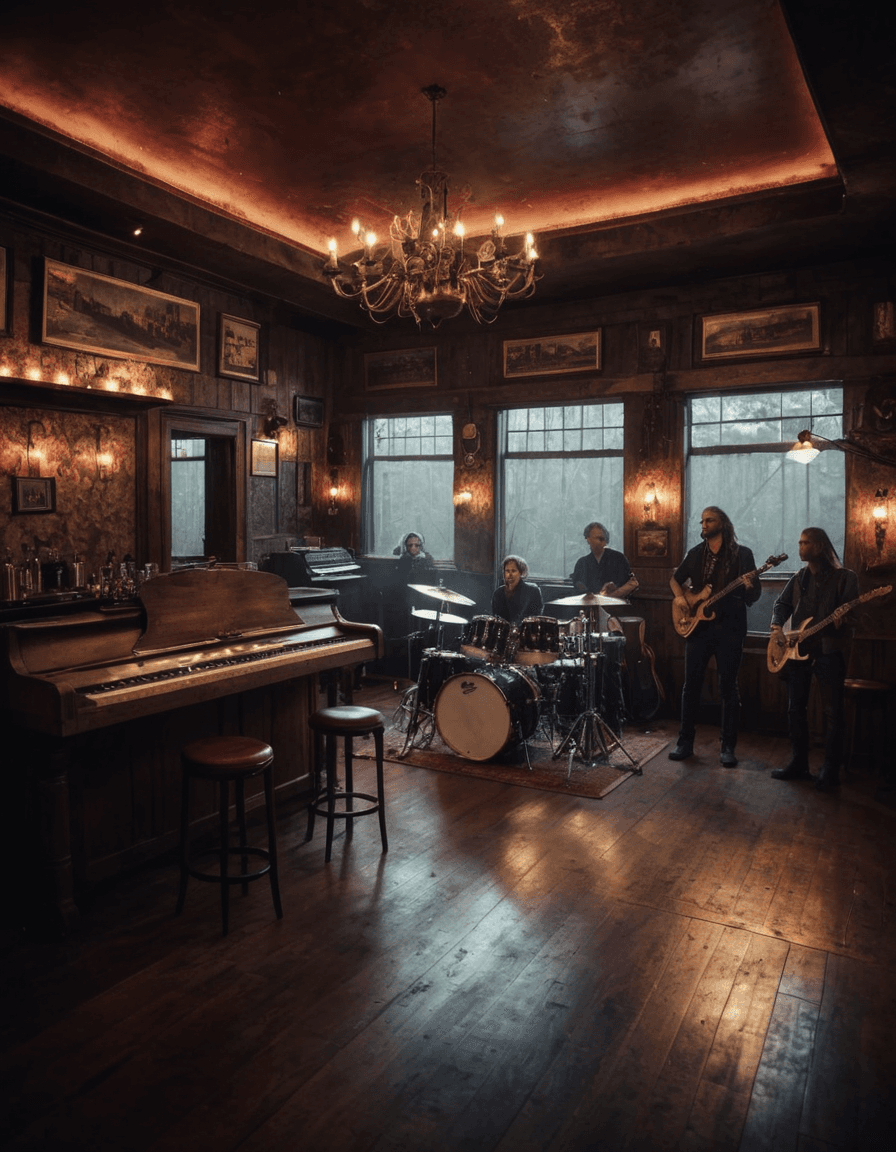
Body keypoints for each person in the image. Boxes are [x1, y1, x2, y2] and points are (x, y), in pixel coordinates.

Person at [668, 506, 760, 767]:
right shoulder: (696, 554)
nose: (704, 523)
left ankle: (728, 746)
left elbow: (754, 596)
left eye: (710, 519)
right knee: (691, 686)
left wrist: (751, 585)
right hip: (698, 628)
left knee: (728, 687)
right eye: (702, 520)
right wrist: (682, 599)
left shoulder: (743, 555)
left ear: (723, 523)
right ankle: (685, 742)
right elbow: (675, 579)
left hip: (730, 629)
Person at [769, 527, 858, 792]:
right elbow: (781, 605)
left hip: (830, 651)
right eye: (799, 542)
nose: (800, 546)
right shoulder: (800, 577)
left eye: (805, 542)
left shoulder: (846, 578)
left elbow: (855, 617)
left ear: (820, 546)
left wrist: (843, 619)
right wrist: (776, 628)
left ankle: (830, 770)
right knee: (795, 708)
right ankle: (799, 763)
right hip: (797, 650)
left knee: (833, 713)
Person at [491, 555, 543, 626]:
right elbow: (496, 618)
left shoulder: (533, 591)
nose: (510, 574)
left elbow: (536, 617)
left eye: (513, 571)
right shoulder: (498, 593)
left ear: (521, 573)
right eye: (507, 571)